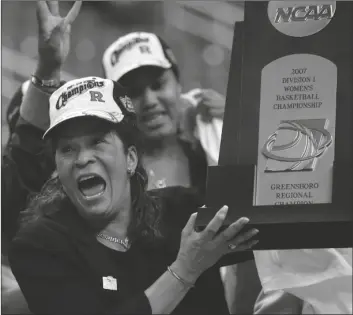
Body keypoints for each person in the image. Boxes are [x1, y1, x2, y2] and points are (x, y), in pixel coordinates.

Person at [9, 75, 259, 314]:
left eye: (97, 141)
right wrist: (185, 270)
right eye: (67, 149)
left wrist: (249, 124)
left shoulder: (183, 212)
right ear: (57, 168)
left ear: (130, 159)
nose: (82, 159)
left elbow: (275, 217)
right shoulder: (39, 247)